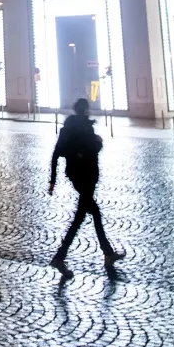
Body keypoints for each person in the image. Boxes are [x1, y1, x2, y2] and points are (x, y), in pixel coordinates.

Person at [48, 97, 125, 279]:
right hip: (87, 177)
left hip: (75, 176)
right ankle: (60, 257)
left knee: (90, 215)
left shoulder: (67, 129)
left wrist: (52, 181)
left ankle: (107, 253)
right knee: (80, 219)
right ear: (86, 110)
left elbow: (56, 154)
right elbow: (92, 150)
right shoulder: (85, 128)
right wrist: (98, 143)